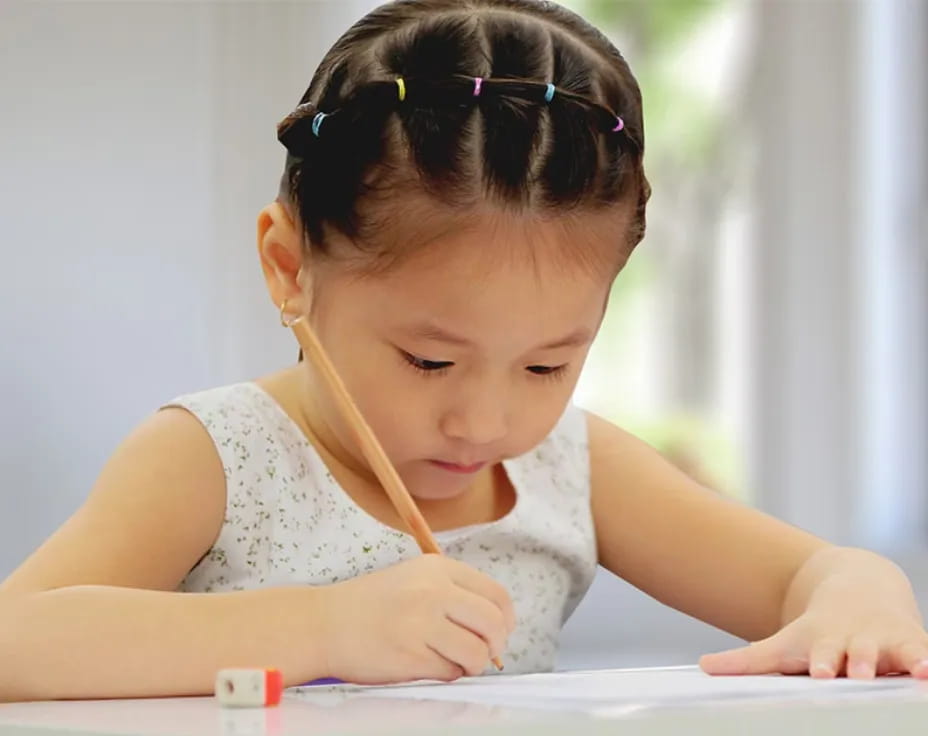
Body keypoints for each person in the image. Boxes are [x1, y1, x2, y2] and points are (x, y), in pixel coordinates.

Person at [1, 0, 925, 702]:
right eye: (430, 361)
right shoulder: (219, 458)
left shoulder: (572, 470)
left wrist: (863, 596)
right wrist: (320, 629)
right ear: (288, 267)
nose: (484, 422)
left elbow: (813, 577)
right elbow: (14, 644)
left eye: (547, 366)